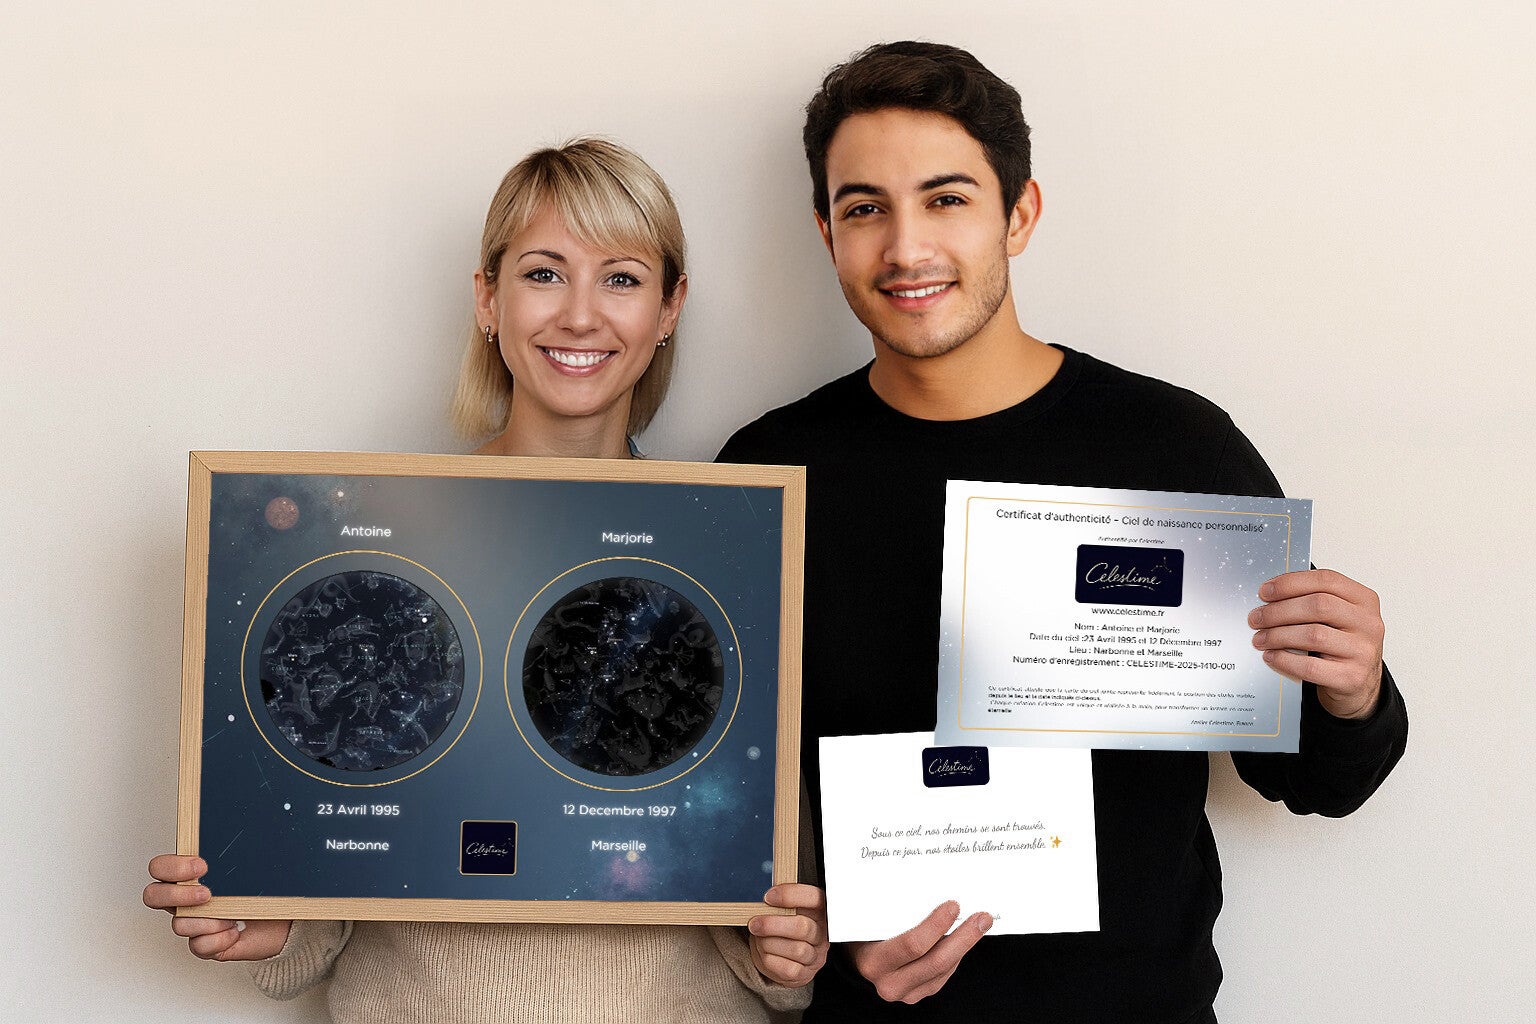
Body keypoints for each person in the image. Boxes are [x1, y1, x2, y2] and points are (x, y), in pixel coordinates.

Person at [717, 42, 1407, 1023]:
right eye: (866, 208)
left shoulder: (1173, 448)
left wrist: (1353, 687)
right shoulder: (767, 475)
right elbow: (725, 794)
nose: (906, 248)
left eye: (946, 199)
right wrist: (814, 923)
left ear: (1020, 214)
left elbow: (1315, 780)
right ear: (828, 232)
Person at [145, 138, 828, 1023]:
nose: (579, 315)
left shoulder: (727, 550)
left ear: (670, 308)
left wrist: (789, 952)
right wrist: (272, 918)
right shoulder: (387, 552)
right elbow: (346, 819)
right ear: (487, 299)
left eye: (621, 279)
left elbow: (769, 893)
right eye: (544, 274)